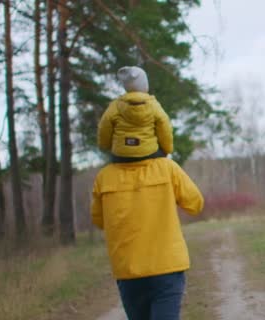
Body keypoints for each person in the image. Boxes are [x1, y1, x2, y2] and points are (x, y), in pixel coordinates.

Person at [91, 156, 204, 320]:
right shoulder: (167, 167)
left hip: (128, 269)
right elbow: (195, 204)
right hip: (167, 267)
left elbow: (99, 221)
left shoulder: (104, 176)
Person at [97, 66, 173, 163]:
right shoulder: (154, 105)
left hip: (121, 155)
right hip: (149, 153)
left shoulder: (115, 106)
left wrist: (105, 146)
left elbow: (104, 127)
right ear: (145, 84)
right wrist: (167, 149)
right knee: (163, 158)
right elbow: (165, 128)